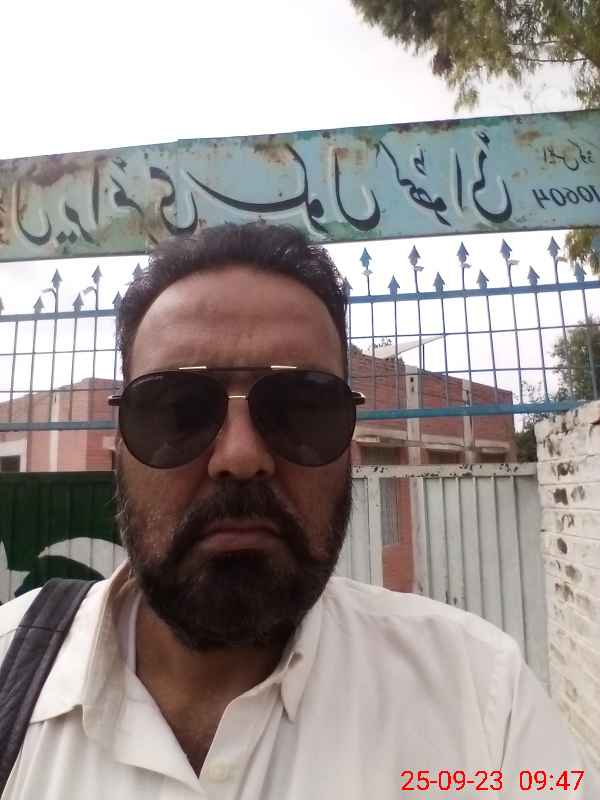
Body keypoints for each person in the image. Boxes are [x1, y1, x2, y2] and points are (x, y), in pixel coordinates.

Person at [0, 223, 597, 799]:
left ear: (351, 448)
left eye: (299, 409)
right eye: (179, 409)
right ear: (119, 449)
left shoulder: (482, 705)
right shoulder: (10, 674)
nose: (240, 456)